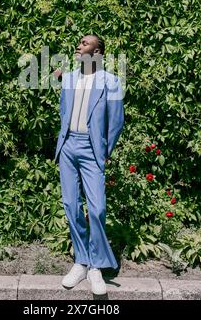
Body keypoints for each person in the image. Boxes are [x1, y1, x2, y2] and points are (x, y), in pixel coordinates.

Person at [54, 34, 125, 295]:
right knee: (71, 205)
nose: (79, 46)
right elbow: (65, 109)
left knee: (97, 208)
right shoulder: (71, 78)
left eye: (85, 44)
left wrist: (105, 151)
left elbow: (116, 121)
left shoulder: (112, 81)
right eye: (79, 42)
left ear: (97, 53)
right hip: (68, 147)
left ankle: (96, 266)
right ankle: (81, 262)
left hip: (92, 149)